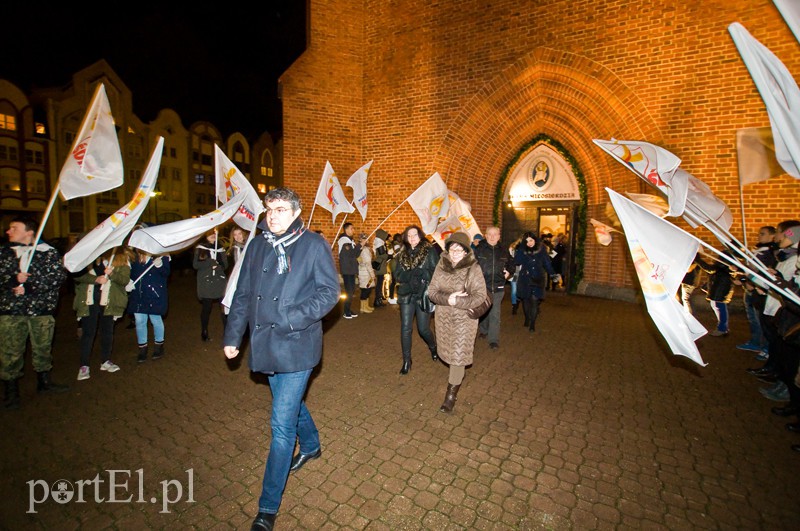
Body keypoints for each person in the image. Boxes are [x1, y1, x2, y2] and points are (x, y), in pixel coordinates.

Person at [223, 187, 340, 531]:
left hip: (297, 343)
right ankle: (313, 445)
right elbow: (243, 293)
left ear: (296, 213)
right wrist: (233, 336)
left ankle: (267, 508)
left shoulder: (313, 244)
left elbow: (329, 293)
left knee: (281, 425)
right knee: (288, 403)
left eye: (280, 210)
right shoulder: (257, 245)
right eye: (269, 209)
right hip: (266, 343)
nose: (272, 216)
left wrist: (291, 318)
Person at [1, 217, 68, 409]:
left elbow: (57, 277)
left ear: (29, 232)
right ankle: (11, 391)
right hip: (12, 310)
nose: (8, 231)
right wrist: (13, 280)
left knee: (42, 347)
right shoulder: (4, 253)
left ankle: (44, 382)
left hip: (40, 309)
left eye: (14, 228)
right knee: (10, 350)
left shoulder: (47, 252)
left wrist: (30, 285)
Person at [427, 232, 487, 413]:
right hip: (443, 317)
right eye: (452, 249)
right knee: (448, 353)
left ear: (466, 251)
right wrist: (448, 299)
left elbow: (480, 296)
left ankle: (450, 396)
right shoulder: (441, 265)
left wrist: (458, 301)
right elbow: (432, 292)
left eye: (459, 250)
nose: (455, 253)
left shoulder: (473, 268)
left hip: (464, 319)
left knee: (458, 356)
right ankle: (457, 378)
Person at [72, 248, 131, 380]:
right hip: (89, 301)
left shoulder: (120, 259)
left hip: (108, 302)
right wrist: (96, 279)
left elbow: (124, 280)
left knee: (107, 332)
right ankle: (84, 365)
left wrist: (112, 274)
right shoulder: (88, 258)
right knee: (88, 333)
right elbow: (77, 275)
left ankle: (105, 360)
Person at [392, 225, 439, 374]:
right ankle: (407, 361)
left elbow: (436, 272)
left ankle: (433, 347)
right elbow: (397, 274)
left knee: (423, 329)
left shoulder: (429, 250)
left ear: (420, 236)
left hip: (423, 293)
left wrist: (423, 273)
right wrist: (410, 275)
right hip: (407, 294)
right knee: (405, 328)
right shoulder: (402, 253)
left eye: (415, 235)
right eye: (409, 235)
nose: (412, 238)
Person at [127, 249, 171, 362]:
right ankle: (142, 348)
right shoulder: (133, 257)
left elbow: (166, 273)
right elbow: (130, 273)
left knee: (155, 319)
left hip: (154, 293)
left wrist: (160, 266)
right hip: (139, 294)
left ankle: (159, 346)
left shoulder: (161, 255)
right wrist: (128, 282)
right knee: (140, 321)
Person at [473, 226, 511, 349]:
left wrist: (509, 272)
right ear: (486, 235)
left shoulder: (504, 250)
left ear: (499, 236)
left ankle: (493, 339)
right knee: (484, 311)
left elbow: (511, 264)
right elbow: (471, 266)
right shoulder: (479, 249)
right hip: (483, 287)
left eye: (495, 234)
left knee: (495, 313)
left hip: (498, 287)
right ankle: (484, 330)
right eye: (490, 234)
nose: (493, 236)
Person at [515, 231, 558, 333]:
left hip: (537, 278)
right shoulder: (522, 250)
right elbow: (517, 261)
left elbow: (547, 263)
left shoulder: (541, 249)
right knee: (526, 300)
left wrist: (552, 274)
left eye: (531, 240)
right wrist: (521, 248)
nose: (529, 243)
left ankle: (532, 324)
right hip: (525, 278)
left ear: (535, 240)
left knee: (534, 301)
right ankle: (527, 318)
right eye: (526, 241)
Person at [193, 230, 228, 341]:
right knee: (206, 308)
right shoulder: (201, 248)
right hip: (206, 282)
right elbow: (196, 265)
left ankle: (227, 332)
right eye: (210, 233)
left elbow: (225, 265)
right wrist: (210, 263)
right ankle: (204, 332)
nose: (213, 235)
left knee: (224, 308)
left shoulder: (220, 248)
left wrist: (218, 267)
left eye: (214, 233)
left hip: (219, 281)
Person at [696, 253, 735, 337]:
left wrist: (698, 259)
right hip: (720, 286)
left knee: (719, 307)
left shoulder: (726, 258)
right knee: (717, 306)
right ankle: (723, 328)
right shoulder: (729, 256)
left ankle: (722, 328)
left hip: (721, 286)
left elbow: (711, 269)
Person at [338, 222, 361, 319]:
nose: (353, 230)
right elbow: (351, 253)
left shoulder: (350, 240)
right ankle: (346, 311)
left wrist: (360, 246)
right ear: (346, 229)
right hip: (347, 269)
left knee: (351, 290)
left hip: (351, 269)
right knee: (349, 291)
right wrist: (360, 245)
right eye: (352, 228)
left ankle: (348, 309)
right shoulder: (344, 240)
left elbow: (356, 254)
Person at [357, 233, 376, 314]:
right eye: (364, 239)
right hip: (365, 273)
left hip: (364, 272)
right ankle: (363, 307)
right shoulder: (364, 250)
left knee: (367, 289)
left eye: (366, 239)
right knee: (365, 290)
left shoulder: (363, 248)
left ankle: (366, 306)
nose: (366, 240)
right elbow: (368, 263)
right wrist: (372, 274)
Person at [372, 229, 391, 308]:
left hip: (380, 265)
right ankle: (377, 301)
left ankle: (378, 300)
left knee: (379, 284)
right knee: (379, 284)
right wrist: (389, 256)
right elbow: (382, 255)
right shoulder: (379, 243)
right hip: (380, 266)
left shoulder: (378, 242)